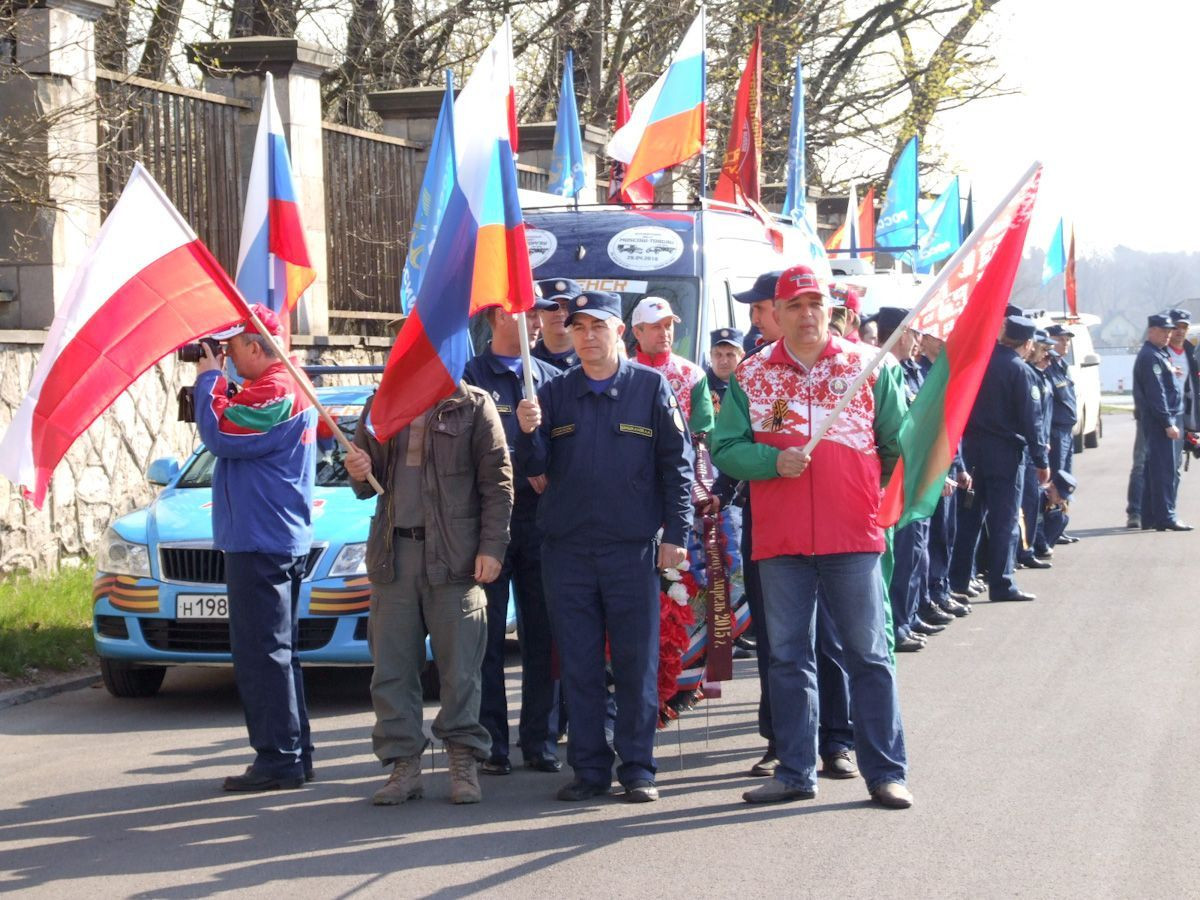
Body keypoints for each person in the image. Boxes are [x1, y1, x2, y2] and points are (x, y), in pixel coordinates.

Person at [712, 263, 912, 809]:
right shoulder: (751, 376)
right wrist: (773, 461)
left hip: (853, 538)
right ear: (775, 313)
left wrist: (880, 504)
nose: (805, 315)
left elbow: (898, 445)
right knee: (787, 657)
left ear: (832, 311)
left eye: (814, 304)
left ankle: (886, 772)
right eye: (794, 305)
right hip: (782, 543)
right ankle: (796, 770)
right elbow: (724, 448)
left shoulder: (869, 367)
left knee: (868, 655)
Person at [516, 290, 694, 804]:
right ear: (569, 335)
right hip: (567, 550)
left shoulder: (651, 387)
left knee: (637, 663)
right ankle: (590, 768)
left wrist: (676, 537)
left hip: (630, 550)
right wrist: (528, 433)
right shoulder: (554, 393)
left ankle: (638, 768)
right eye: (579, 327)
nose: (588, 336)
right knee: (579, 662)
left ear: (620, 332)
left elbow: (675, 467)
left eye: (598, 326)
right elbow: (534, 469)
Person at [345, 377, 513, 805]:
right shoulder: (381, 404)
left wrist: (492, 547)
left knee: (460, 671)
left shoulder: (474, 404)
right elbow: (366, 485)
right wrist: (358, 471)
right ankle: (404, 766)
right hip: (393, 555)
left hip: (455, 559)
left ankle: (463, 760)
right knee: (392, 670)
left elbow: (497, 482)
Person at [193, 304, 318, 792]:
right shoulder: (285, 385)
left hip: (262, 539)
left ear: (254, 345)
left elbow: (221, 434)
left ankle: (279, 759)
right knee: (279, 653)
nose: (226, 356)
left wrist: (209, 380)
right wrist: (219, 382)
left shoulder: (277, 390)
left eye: (231, 347)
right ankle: (295, 752)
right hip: (272, 536)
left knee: (262, 654)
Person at [463, 297, 564, 777]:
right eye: (527, 311)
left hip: (542, 523)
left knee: (542, 635)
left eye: (540, 313)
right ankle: (492, 744)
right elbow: (466, 451)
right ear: (500, 316)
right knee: (485, 641)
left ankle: (540, 740)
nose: (539, 321)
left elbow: (565, 447)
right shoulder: (470, 375)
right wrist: (521, 468)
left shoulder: (548, 377)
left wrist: (548, 466)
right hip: (488, 524)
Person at [949, 316, 1049, 603]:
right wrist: (1041, 460)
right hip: (1005, 454)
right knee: (1004, 520)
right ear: (1027, 343)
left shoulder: (980, 362)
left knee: (970, 518)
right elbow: (1033, 420)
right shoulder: (1021, 371)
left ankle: (959, 579)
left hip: (972, 451)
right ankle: (1002, 582)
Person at [1134, 313, 1190, 531]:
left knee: (1154, 469)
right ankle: (1166, 516)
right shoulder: (1151, 356)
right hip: (1161, 422)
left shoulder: (1158, 354)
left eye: (1170, 331)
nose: (1168, 335)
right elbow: (1157, 394)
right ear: (1152, 331)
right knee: (1164, 471)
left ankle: (1149, 516)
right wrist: (1168, 423)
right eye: (1164, 331)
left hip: (1160, 420)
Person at [632, 296, 716, 437]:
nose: (664, 333)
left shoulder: (692, 375)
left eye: (668, 325)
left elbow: (703, 431)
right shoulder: (622, 374)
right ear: (637, 332)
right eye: (656, 326)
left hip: (679, 457)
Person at [1016, 331, 1055, 569]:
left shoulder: (1037, 375)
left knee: (1032, 501)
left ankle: (1027, 547)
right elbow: (1030, 417)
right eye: (1043, 350)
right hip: (1028, 449)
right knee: (1026, 502)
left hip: (1037, 446)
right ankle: (1023, 550)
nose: (1046, 356)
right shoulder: (1026, 373)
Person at [532, 278, 583, 370]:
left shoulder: (592, 357)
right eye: (552, 307)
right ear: (539, 312)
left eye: (566, 306)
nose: (560, 313)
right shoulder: (525, 357)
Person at [707, 327, 746, 413]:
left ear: (742, 357)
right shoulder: (701, 387)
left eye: (730, 355)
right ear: (711, 356)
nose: (724, 361)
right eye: (718, 354)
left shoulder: (751, 385)